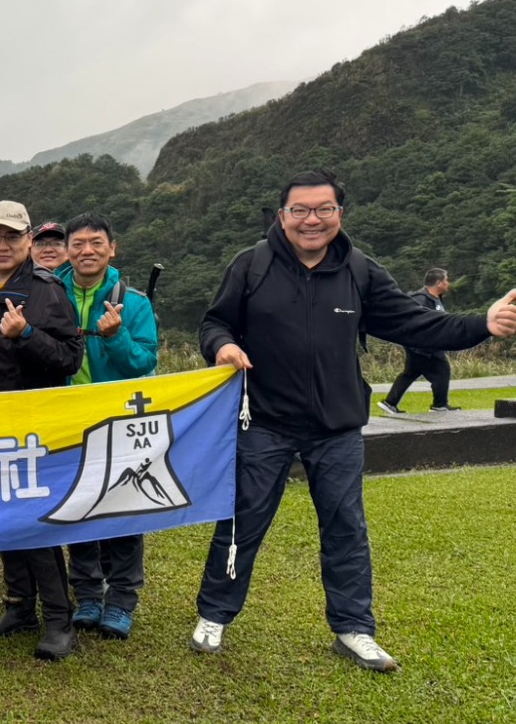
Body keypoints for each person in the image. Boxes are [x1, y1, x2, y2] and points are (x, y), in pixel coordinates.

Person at [193, 170, 516, 671]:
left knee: (346, 527)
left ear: (340, 214)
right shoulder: (252, 265)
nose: (312, 220)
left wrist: (482, 324)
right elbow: (215, 322)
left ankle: (353, 628)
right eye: (300, 210)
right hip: (264, 422)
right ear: (282, 215)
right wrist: (223, 346)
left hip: (337, 427)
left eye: (324, 209)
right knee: (243, 521)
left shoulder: (360, 270)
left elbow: (417, 324)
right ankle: (214, 614)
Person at [0, 202, 84, 661]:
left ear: (28, 240)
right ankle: (19, 607)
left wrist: (27, 334)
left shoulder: (46, 290)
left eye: (12, 236)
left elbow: (70, 357)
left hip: (32, 429)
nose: (2, 245)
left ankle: (59, 619)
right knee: (2, 518)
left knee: (35, 524)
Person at [53, 212, 159, 641]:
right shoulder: (50, 294)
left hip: (118, 423)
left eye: (96, 243)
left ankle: (121, 600)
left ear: (112, 248)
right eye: (78, 244)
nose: (87, 251)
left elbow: (144, 362)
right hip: (68, 422)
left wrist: (115, 336)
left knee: (124, 511)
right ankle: (87, 595)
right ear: (66, 251)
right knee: (78, 508)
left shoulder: (133, 302)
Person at [379, 269, 459, 414]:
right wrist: (420, 344)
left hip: (431, 345)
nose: (448, 283)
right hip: (422, 347)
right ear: (438, 282)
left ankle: (390, 403)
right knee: (442, 371)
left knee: (411, 373)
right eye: (446, 280)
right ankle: (439, 405)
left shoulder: (436, 298)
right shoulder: (420, 299)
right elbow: (412, 322)